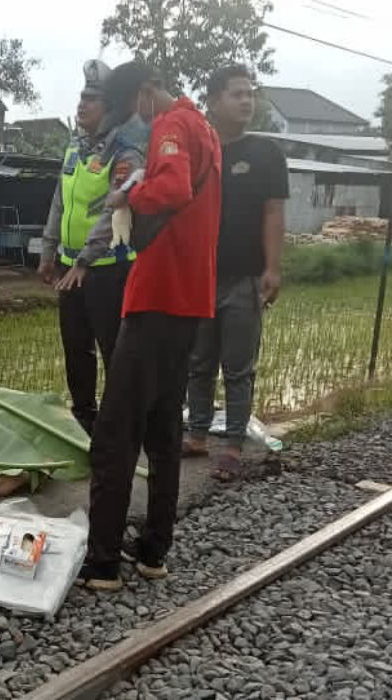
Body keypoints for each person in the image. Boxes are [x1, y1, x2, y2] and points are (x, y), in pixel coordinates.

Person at [78, 62, 222, 591]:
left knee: (115, 435)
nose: (134, 119)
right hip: (190, 300)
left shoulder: (173, 125)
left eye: (132, 107)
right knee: (163, 432)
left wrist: (126, 198)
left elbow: (173, 189)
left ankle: (102, 564)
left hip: (158, 295)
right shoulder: (204, 127)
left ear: (145, 92)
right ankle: (154, 551)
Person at [184, 65, 288, 481]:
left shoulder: (265, 154)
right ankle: (196, 436)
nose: (247, 100)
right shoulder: (200, 150)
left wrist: (273, 269)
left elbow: (274, 213)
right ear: (212, 101)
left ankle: (231, 445)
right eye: (236, 94)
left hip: (244, 278)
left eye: (250, 93)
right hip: (200, 277)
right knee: (199, 362)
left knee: (239, 368)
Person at [40, 60, 143, 435]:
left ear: (110, 107)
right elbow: (59, 201)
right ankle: (85, 417)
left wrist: (85, 259)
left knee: (113, 350)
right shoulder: (74, 148)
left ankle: (121, 423)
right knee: (75, 348)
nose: (82, 105)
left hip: (107, 268)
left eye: (92, 99)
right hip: (71, 266)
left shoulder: (125, 152)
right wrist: (48, 251)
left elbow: (113, 211)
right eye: (81, 98)